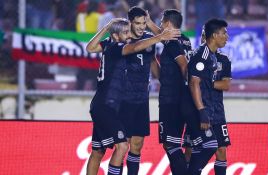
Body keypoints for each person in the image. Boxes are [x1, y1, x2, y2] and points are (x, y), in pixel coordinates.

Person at [86, 18, 180, 175]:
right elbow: (134, 47)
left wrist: (107, 27)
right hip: (106, 106)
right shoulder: (117, 47)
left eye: (129, 30)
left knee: (98, 150)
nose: (129, 34)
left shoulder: (109, 44)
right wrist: (159, 37)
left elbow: (90, 47)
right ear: (116, 36)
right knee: (122, 146)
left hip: (105, 104)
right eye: (125, 32)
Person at [147, 9, 192, 175]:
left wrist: (149, 23)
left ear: (167, 24)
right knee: (173, 143)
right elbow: (163, 76)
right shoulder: (185, 40)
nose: (160, 26)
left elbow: (184, 65)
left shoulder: (172, 42)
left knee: (171, 144)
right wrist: (152, 60)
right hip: (180, 97)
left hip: (171, 99)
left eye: (161, 23)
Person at [185, 23, 231, 175]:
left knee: (221, 150)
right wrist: (201, 110)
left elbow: (225, 84)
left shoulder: (223, 60)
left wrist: (208, 83)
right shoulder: (199, 56)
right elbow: (192, 83)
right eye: (224, 33)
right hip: (199, 109)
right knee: (192, 149)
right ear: (214, 35)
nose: (227, 36)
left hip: (217, 111)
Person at [117, 7, 157, 175]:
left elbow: (153, 61)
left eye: (143, 23)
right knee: (122, 145)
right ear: (130, 23)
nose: (141, 27)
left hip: (142, 97)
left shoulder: (149, 39)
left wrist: (165, 81)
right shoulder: (122, 40)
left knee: (137, 144)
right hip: (124, 99)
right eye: (137, 23)